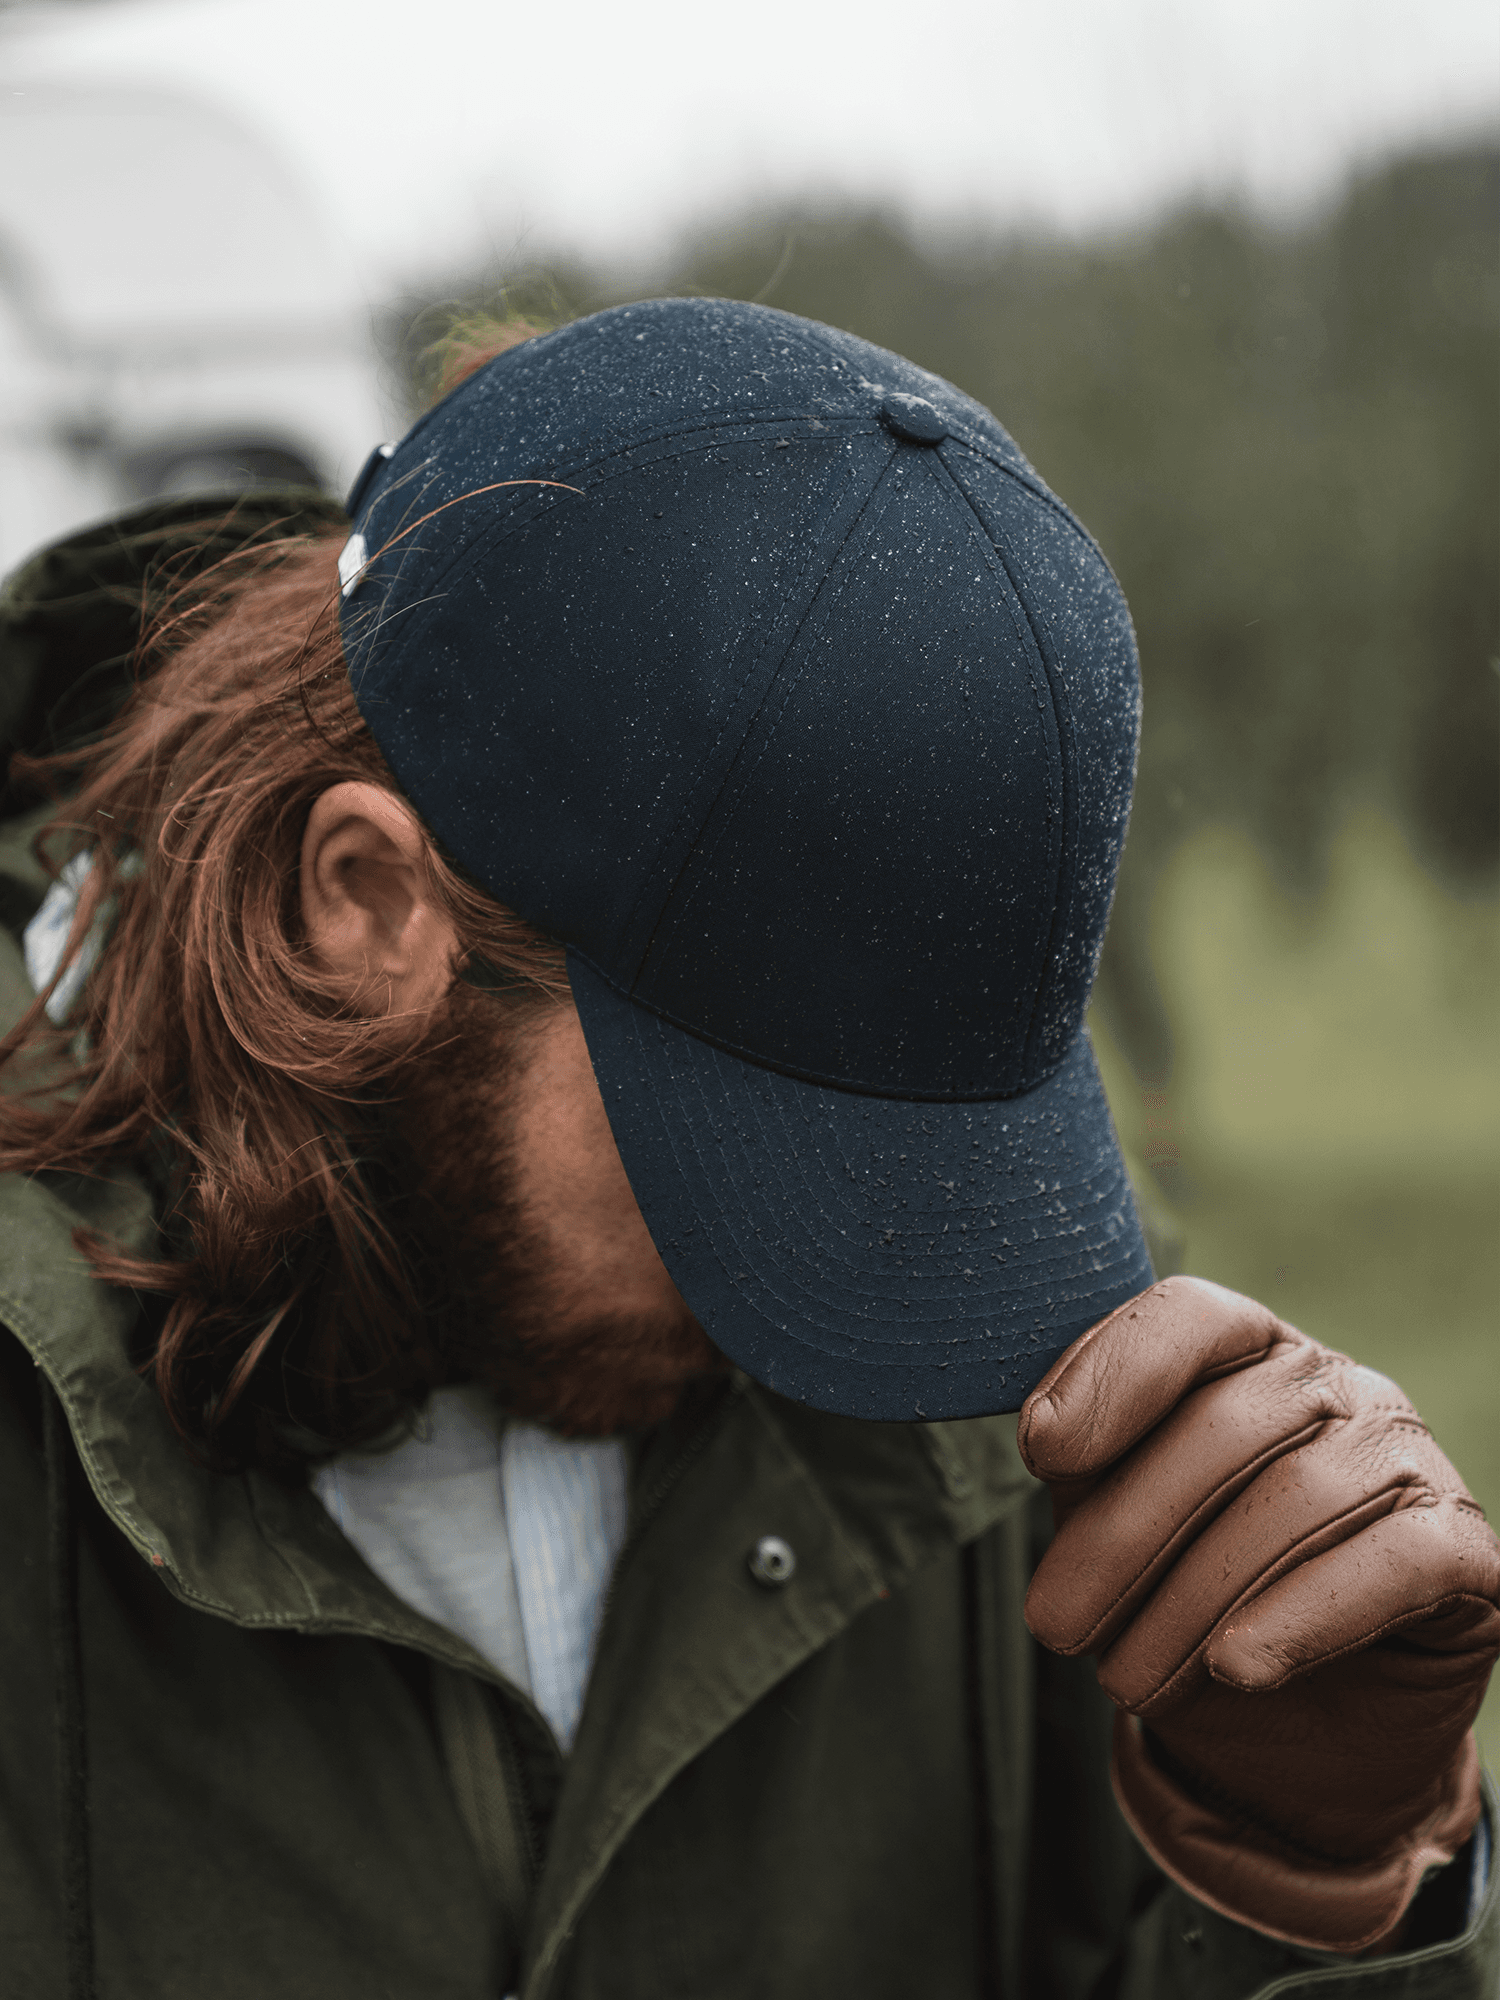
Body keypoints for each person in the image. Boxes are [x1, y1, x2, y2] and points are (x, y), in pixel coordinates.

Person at [0, 300, 1494, 2000]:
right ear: (370, 906)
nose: (865, 1291)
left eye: (896, 1142)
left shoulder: (1004, 1354)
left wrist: (1324, 1880)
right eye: (745, 1137)